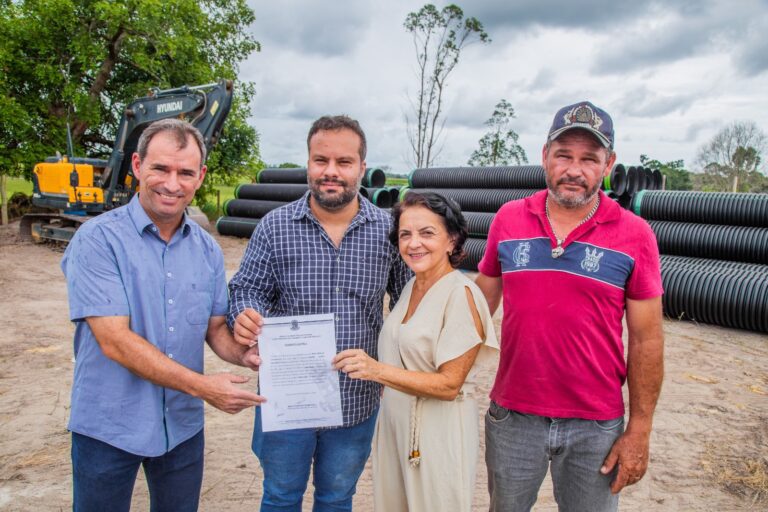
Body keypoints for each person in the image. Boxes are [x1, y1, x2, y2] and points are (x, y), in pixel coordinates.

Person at [61, 119, 265, 512]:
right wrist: (205, 388)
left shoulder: (206, 249)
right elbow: (115, 341)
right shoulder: (98, 240)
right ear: (137, 166)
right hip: (109, 427)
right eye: (161, 169)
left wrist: (248, 353)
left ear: (200, 177)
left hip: (181, 428)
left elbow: (215, 330)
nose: (172, 183)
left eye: (185, 172)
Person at [476, 101, 664, 512]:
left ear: (609, 163)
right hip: (513, 417)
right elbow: (475, 309)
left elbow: (647, 339)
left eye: (589, 159)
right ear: (545, 156)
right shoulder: (508, 220)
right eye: (563, 155)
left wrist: (640, 429)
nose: (574, 170)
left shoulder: (635, 235)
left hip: (596, 425)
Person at [227, 115, 412, 512]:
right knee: (280, 496)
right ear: (308, 163)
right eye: (320, 160)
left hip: (356, 398)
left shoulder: (389, 232)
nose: (331, 172)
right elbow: (247, 287)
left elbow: (408, 303)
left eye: (344, 162)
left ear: (363, 167)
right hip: (287, 396)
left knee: (336, 497)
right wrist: (245, 313)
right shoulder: (275, 227)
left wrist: (392, 368)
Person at [333, 191, 499, 511]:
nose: (414, 243)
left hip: (437, 434)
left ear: (452, 240)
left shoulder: (461, 294)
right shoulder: (412, 285)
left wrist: (376, 370)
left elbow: (450, 384)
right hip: (396, 425)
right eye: (405, 234)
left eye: (427, 233)